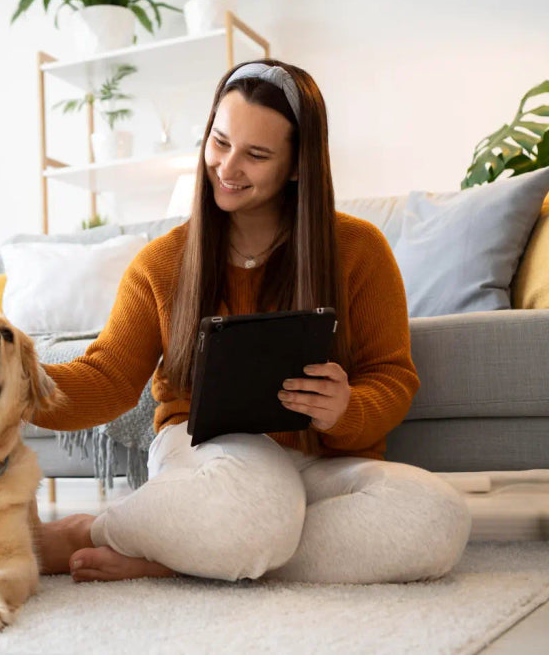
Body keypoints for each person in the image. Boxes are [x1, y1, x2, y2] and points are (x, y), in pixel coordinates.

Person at [29, 59, 472, 584]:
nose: (227, 167)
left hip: (316, 463)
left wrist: (347, 407)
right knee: (258, 510)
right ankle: (107, 532)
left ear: (296, 166)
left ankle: (180, 553)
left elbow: (392, 376)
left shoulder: (359, 250)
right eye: (219, 142)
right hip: (209, 458)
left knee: (437, 516)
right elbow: (109, 377)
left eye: (256, 155)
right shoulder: (162, 262)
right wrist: (15, 387)